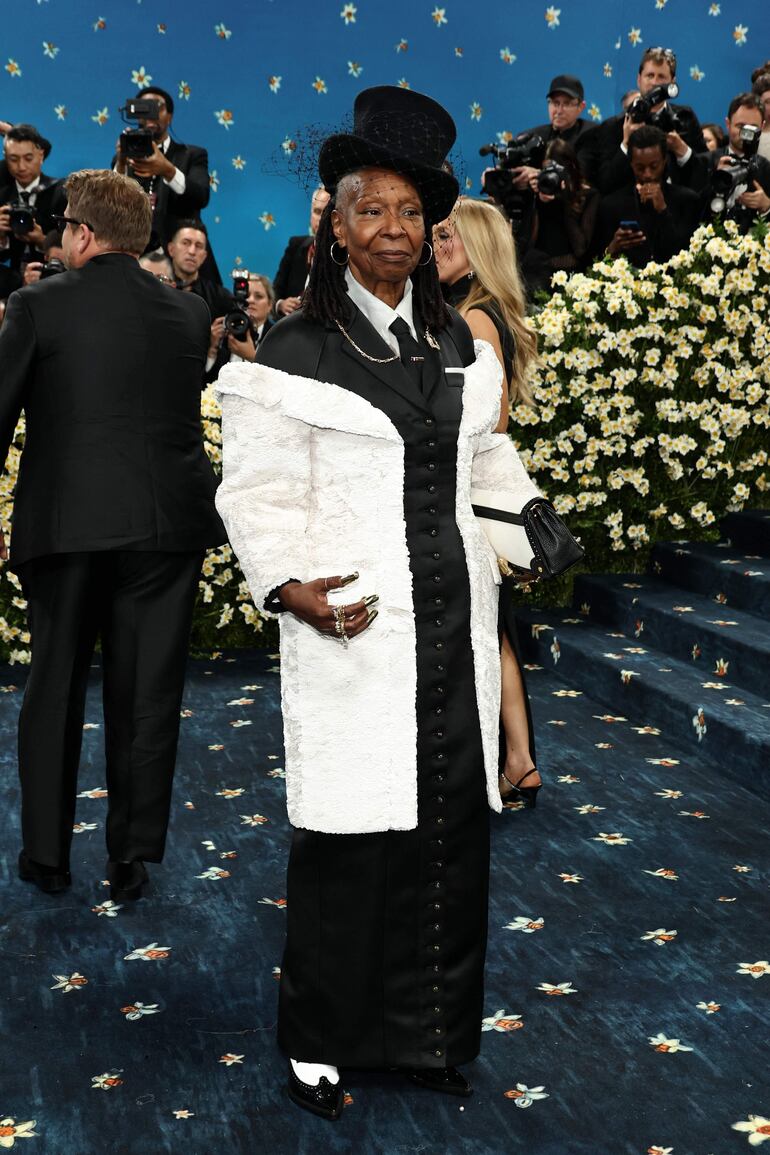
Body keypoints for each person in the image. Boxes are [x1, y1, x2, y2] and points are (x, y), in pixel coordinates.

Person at [215, 85, 542, 1120]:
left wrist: (524, 524)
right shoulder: (299, 351)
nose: (394, 231)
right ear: (335, 222)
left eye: (413, 214)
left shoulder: (457, 347)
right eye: (372, 210)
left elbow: (484, 458)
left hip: (450, 622)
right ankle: (320, 1040)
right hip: (351, 625)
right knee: (348, 839)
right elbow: (254, 488)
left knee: (446, 830)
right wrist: (285, 582)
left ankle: (426, 1036)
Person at [0, 169, 225, 900]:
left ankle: (47, 857)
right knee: (148, 695)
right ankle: (130, 858)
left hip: (65, 526)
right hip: (165, 530)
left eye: (65, 225)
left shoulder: (35, 304)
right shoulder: (189, 317)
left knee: (54, 687)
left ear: (83, 233)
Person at [433, 195, 542, 809]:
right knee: (494, 629)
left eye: (447, 236)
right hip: (470, 486)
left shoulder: (475, 318)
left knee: (486, 631)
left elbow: (490, 416)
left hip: (466, 490)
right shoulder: (482, 311)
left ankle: (517, 761)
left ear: (476, 246)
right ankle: (520, 763)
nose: (433, 245)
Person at [114, 85, 219, 281]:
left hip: (181, 256)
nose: (151, 114)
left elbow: (201, 196)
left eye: (157, 107)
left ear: (169, 116)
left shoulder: (192, 155)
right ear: (136, 114)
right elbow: (112, 203)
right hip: (136, 254)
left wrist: (167, 170)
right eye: (144, 107)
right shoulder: (124, 157)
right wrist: (120, 162)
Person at [594, 47, 707, 194]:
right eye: (650, 75)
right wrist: (626, 144)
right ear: (639, 79)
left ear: (672, 82)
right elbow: (605, 184)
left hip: (678, 207)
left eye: (661, 77)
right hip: (630, 208)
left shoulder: (685, 118)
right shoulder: (615, 125)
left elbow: (704, 177)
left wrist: (682, 150)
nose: (655, 83)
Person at [595, 124, 701, 267]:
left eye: (654, 166)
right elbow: (595, 263)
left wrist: (663, 211)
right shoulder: (610, 205)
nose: (647, 174)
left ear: (664, 161)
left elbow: (688, 256)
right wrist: (613, 247)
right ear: (631, 164)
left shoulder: (687, 200)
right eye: (640, 168)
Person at [694, 93, 770, 230]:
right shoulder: (704, 162)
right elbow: (690, 213)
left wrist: (766, 206)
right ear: (728, 124)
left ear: (762, 127)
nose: (745, 135)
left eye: (752, 128)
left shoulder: (766, 169)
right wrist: (715, 185)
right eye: (740, 126)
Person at [508, 74, 599, 189]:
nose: (559, 111)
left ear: (581, 107)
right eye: (555, 103)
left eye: (566, 103)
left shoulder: (591, 134)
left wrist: (538, 175)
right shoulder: (534, 135)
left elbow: (580, 177)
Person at [0, 124, 65, 273]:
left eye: (28, 158)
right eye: (13, 159)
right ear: (5, 159)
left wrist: (42, 240)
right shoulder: (3, 197)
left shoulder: (61, 193)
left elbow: (75, 254)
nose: (21, 167)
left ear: (41, 156)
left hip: (54, 281)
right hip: (13, 283)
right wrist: (1, 238)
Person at [205, 272, 275, 383]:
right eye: (246, 296)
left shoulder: (278, 337)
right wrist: (212, 350)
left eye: (258, 296)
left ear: (270, 305)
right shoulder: (226, 331)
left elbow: (280, 382)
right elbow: (206, 382)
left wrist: (252, 357)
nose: (250, 300)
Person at [272, 186, 331, 317]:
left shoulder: (347, 255)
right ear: (311, 216)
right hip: (290, 329)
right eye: (317, 211)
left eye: (326, 212)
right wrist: (280, 304)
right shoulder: (295, 245)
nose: (321, 218)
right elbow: (275, 292)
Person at [167, 219, 234, 316]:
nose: (192, 251)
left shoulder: (220, 297)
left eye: (198, 246)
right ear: (171, 249)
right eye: (186, 243)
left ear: (204, 256)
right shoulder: (156, 287)